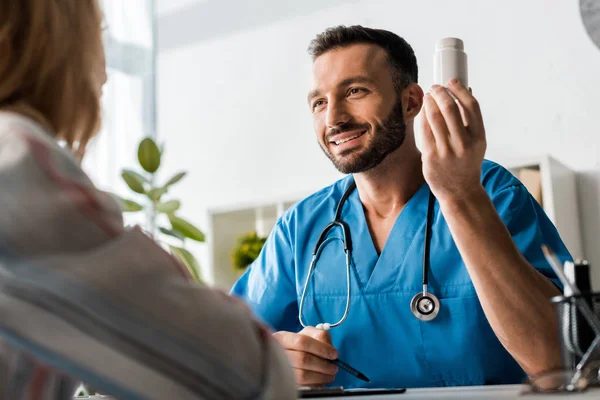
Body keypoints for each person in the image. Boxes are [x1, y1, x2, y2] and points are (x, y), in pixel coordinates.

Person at [231, 25, 571, 389]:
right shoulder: (301, 227)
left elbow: (559, 361)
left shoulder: (492, 194)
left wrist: (460, 197)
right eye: (319, 102)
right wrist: (275, 360)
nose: (334, 118)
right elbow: (226, 351)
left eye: (355, 91)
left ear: (410, 101)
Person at [0, 1, 295, 399]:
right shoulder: (17, 159)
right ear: (58, 46)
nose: (103, 72)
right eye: (98, 37)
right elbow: (245, 372)